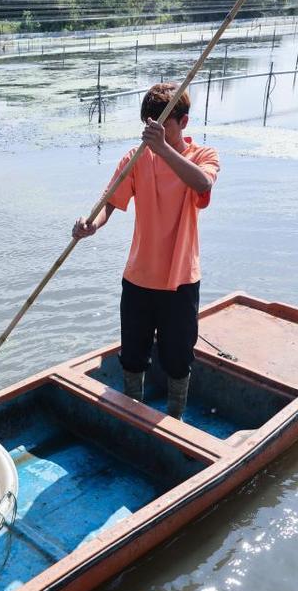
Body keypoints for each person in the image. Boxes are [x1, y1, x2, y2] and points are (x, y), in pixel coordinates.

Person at [72, 82, 220, 419]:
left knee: (178, 358)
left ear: (183, 122)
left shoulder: (203, 157)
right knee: (133, 356)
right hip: (139, 277)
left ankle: (176, 419)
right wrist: (92, 224)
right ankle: (132, 414)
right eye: (148, 125)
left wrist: (164, 149)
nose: (152, 133)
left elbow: (203, 184)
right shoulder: (136, 158)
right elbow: (111, 201)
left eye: (162, 125)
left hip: (180, 279)